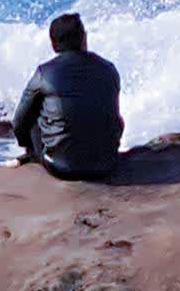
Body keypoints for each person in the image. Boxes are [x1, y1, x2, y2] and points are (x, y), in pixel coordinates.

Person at [12, 13, 124, 179]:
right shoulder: (108, 68)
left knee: (35, 115)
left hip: (61, 168)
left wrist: (27, 146)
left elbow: (19, 122)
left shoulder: (45, 72)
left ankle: (32, 157)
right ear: (83, 38)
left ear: (53, 44)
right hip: (107, 163)